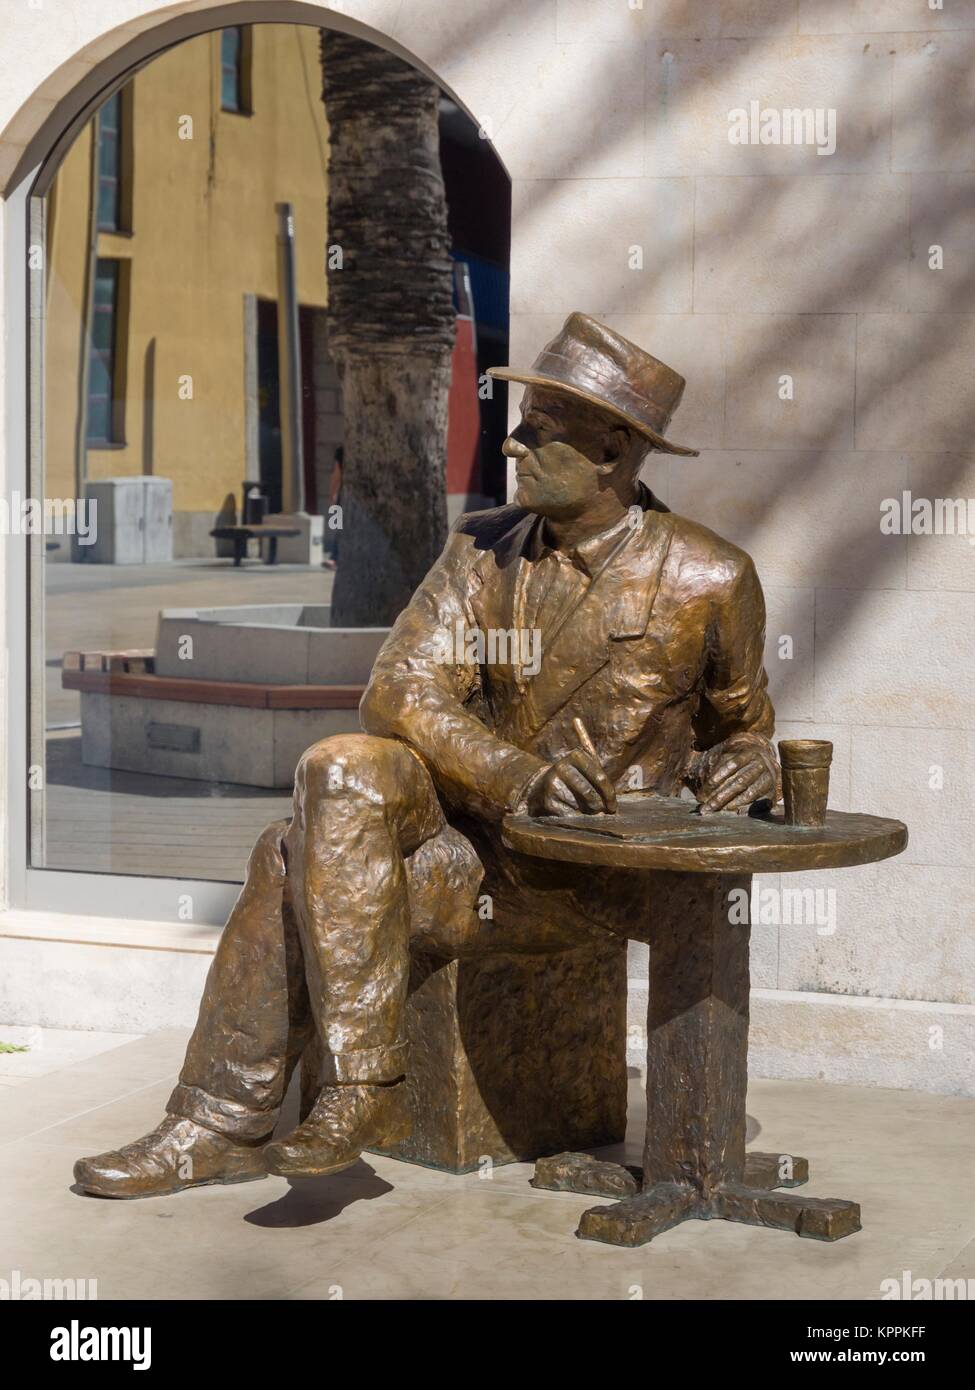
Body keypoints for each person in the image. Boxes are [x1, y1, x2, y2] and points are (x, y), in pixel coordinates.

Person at [74, 313, 779, 1198]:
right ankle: (358, 1082)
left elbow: (743, 726)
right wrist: (516, 777)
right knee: (338, 765)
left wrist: (754, 760)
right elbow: (398, 691)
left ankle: (218, 1123)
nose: (512, 445)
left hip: (594, 882)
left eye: (540, 432)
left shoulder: (708, 578)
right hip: (476, 858)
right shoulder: (479, 547)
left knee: (284, 858)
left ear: (610, 452)